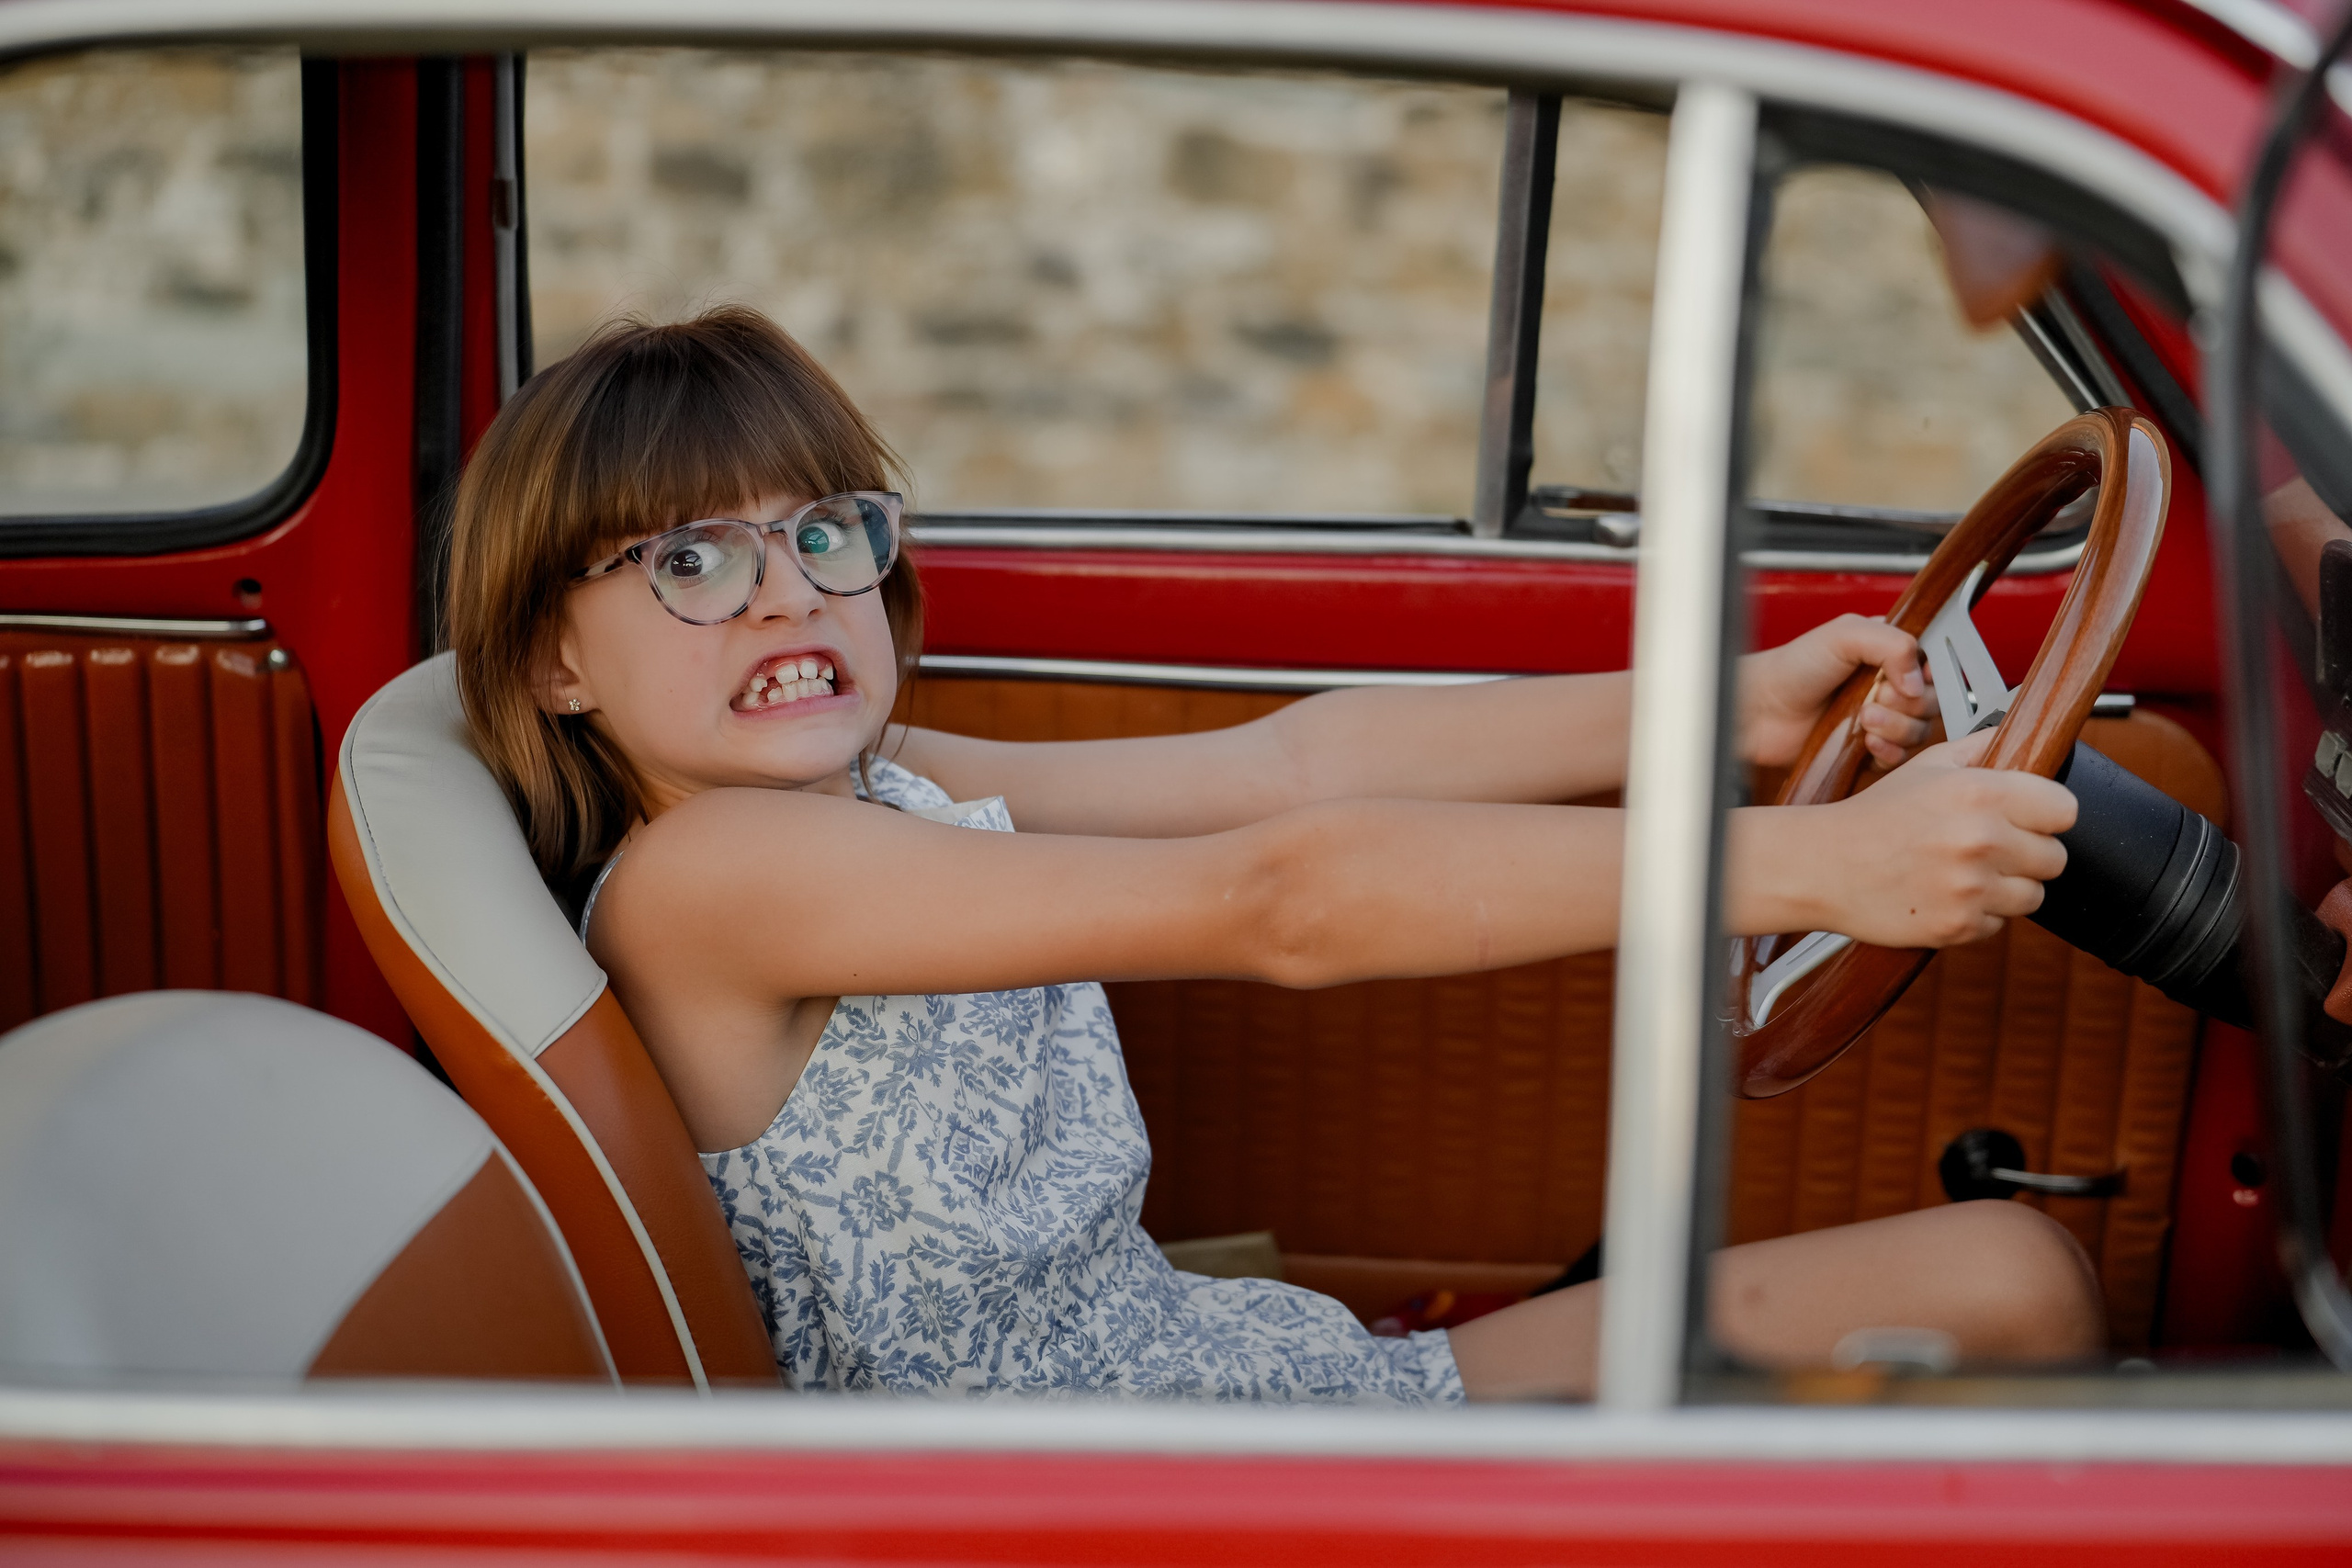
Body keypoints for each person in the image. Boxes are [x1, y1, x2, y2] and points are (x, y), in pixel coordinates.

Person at [447, 307, 2104, 1403]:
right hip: (1107, 1502)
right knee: (2014, 1283)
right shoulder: (716, 879)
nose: (788, 590)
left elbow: (1291, 764)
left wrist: (1727, 711)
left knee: (2010, 1275)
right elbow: (1278, 895)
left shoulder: (873, 789)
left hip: (1217, 1385)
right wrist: (1807, 867)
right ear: (553, 663)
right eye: (687, 563)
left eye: (825, 532)